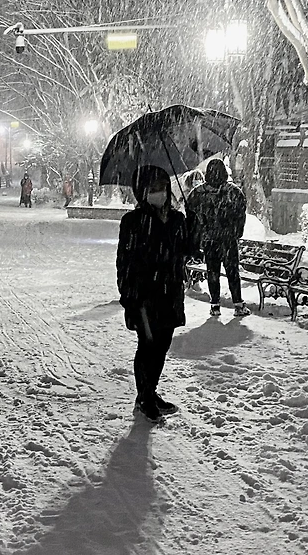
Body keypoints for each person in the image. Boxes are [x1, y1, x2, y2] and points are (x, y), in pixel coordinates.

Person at [116, 165, 191, 422]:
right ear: (143, 192)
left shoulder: (177, 220)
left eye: (163, 188)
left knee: (162, 346)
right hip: (145, 296)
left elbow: (189, 251)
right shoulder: (133, 222)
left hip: (170, 293)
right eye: (154, 189)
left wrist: (194, 226)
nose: (160, 193)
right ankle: (145, 398)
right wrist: (129, 296)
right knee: (147, 345)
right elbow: (124, 262)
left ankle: (149, 392)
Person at [187, 159, 249, 318]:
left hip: (209, 240)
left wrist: (199, 233)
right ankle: (238, 304)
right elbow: (240, 215)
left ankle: (215, 304)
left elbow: (191, 217)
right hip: (228, 240)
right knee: (232, 272)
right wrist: (235, 233)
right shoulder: (233, 192)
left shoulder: (197, 193)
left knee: (212, 272)